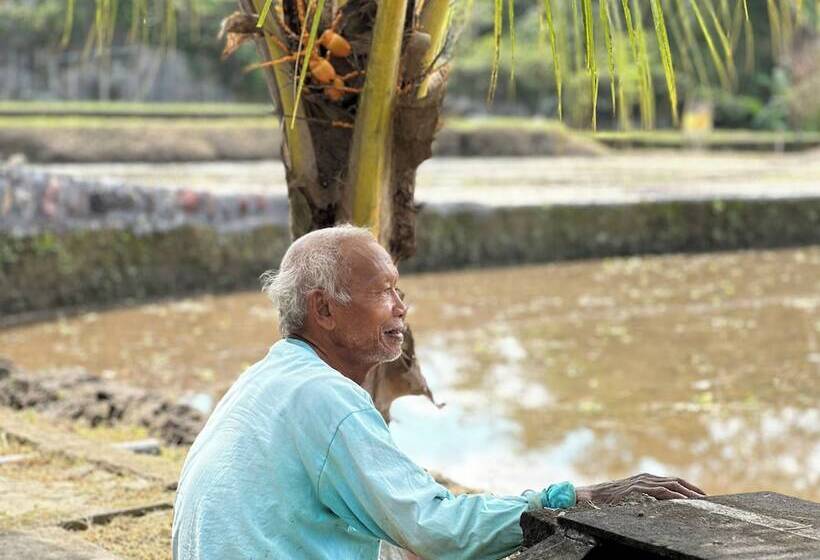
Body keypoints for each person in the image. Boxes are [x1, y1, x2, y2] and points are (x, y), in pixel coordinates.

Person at [172, 224, 706, 559]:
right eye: (382, 292)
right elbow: (438, 531)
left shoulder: (270, 378)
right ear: (324, 310)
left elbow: (398, 522)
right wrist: (570, 499)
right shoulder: (324, 398)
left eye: (398, 290)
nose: (400, 306)